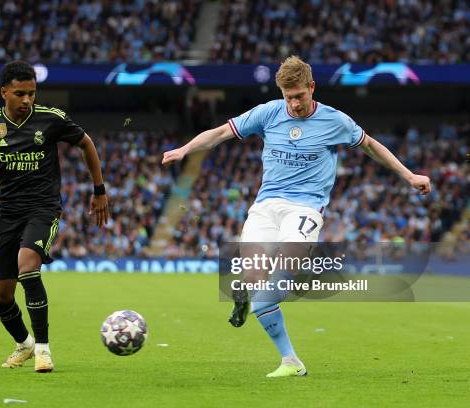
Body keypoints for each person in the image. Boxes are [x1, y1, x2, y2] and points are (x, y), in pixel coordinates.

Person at [162, 56, 431, 378]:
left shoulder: (335, 121)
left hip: (305, 208)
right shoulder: (268, 113)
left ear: (311, 88)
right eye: (288, 97)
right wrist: (184, 150)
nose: (294, 103)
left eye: (299, 96)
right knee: (254, 283)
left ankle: (267, 319)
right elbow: (220, 133)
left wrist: (409, 175)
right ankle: (289, 359)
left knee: (284, 271)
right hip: (265, 206)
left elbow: (371, 147)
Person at [0, 61, 109, 373]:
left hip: (43, 208)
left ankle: (43, 350)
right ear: (4, 93)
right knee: (0, 296)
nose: (27, 99)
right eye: (20, 93)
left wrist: (99, 190)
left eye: (32, 93)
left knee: (28, 267)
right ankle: (25, 344)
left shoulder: (50, 119)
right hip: (7, 214)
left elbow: (86, 143)